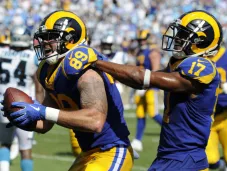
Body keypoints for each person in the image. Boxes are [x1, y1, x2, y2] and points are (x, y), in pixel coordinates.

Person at [68, 10, 223, 170]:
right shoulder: (178, 65)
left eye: (183, 35)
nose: (177, 38)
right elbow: (138, 81)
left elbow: (142, 77)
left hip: (186, 158)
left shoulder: (203, 66)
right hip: (170, 156)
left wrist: (96, 61)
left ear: (201, 41)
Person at [3, 10, 133, 171]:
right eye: (43, 38)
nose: (44, 42)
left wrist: (42, 111)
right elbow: (45, 124)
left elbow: (95, 121)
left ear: (70, 38)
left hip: (111, 151)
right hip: (87, 153)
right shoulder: (48, 71)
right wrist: (21, 117)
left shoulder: (86, 73)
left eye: (50, 37)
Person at [0, 26, 44, 171]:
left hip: (3, 104)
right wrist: (40, 113)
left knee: (4, 143)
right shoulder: (33, 57)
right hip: (25, 107)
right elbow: (39, 89)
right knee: (25, 150)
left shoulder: (2, 52)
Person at [131, 29, 163, 152]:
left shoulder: (153, 52)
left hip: (150, 87)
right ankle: (138, 140)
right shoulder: (139, 51)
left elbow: (155, 71)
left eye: (144, 39)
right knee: (140, 113)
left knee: (153, 113)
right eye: (140, 40)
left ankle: (172, 131)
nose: (142, 42)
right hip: (140, 86)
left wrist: (146, 86)